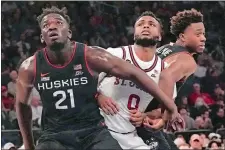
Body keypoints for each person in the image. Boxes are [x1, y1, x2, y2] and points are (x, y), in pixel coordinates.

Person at [16, 6, 179, 150]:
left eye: (58, 23)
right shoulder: (30, 67)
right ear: (42, 37)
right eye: (46, 25)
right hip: (55, 135)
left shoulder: (90, 55)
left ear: (69, 33)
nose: (52, 26)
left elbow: (135, 74)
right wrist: (29, 145)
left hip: (93, 132)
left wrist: (169, 105)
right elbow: (22, 106)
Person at [96, 11, 177, 149]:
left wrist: (145, 115)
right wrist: (98, 96)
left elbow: (163, 109)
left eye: (151, 24)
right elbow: (83, 79)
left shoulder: (165, 70)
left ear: (159, 35)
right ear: (134, 34)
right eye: (141, 24)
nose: (145, 26)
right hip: (100, 129)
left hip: (129, 133)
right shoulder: (115, 54)